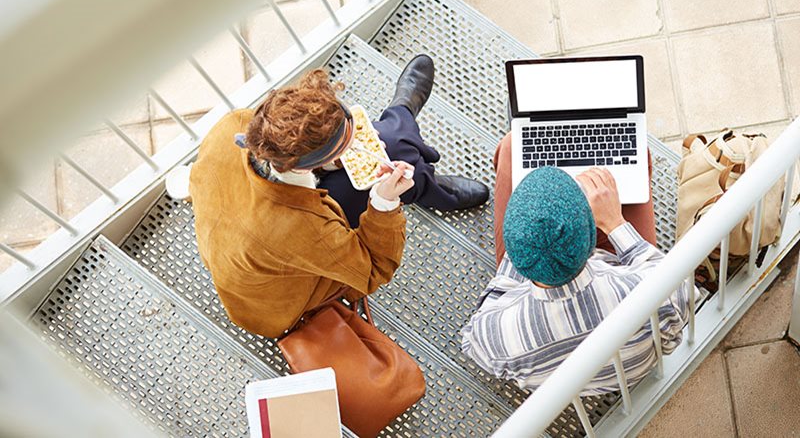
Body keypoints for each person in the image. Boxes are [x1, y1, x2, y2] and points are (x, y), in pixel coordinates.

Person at [189, 55, 489, 338]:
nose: (357, 142)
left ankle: (411, 139)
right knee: (394, 149)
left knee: (390, 145)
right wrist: (384, 203)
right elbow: (374, 270)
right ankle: (410, 135)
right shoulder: (305, 229)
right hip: (279, 299)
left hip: (242, 241)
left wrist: (334, 156)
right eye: (345, 146)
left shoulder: (233, 125)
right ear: (307, 164)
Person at [461, 134, 694, 394]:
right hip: (631, 365)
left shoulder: (493, 334)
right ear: (593, 236)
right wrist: (614, 223)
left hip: (550, 365)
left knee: (512, 145)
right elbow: (686, 292)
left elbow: (474, 345)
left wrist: (529, 240)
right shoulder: (654, 293)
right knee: (640, 151)